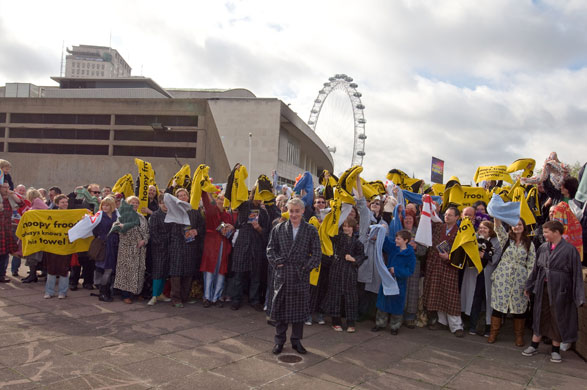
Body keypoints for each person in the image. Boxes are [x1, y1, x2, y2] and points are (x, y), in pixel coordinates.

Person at [523, 220, 585, 363]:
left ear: (556, 232)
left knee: (558, 316)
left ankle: (555, 349)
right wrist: (529, 286)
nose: (544, 235)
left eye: (546, 232)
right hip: (542, 287)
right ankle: (534, 345)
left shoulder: (570, 250)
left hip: (561, 289)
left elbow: (576, 274)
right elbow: (535, 269)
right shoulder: (543, 248)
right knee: (539, 314)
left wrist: (579, 296)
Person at [266, 197, 321, 355]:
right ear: (287, 211)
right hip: (283, 275)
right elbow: (270, 249)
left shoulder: (311, 230)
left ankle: (296, 341)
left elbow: (317, 253)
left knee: (298, 312)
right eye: (291, 211)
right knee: (281, 311)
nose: (294, 214)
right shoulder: (278, 228)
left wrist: (306, 267)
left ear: (303, 211)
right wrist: (277, 262)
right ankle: (279, 341)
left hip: (300, 275)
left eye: (297, 211)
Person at [488, 218, 535, 346]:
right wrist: (496, 214)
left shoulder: (530, 244)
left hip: (520, 278)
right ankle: (493, 333)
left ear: (524, 227)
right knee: (498, 305)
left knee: (519, 308)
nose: (517, 227)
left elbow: (531, 264)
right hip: (503, 276)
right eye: (514, 225)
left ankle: (519, 336)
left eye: (520, 224)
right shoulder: (506, 239)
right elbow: (497, 227)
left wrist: (529, 284)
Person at [424, 206, 464, 337]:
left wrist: (449, 258)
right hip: (435, 264)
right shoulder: (439, 227)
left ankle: (456, 326)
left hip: (449, 266)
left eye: (450, 215)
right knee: (437, 292)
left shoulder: (460, 232)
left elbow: (462, 252)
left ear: (457, 217)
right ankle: (442, 321)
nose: (447, 217)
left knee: (450, 295)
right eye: (446, 214)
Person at [321, 217, 366, 333]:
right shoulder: (339, 237)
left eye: (349, 226)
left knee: (351, 296)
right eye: (344, 226)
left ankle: (351, 321)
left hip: (350, 270)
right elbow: (330, 233)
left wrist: (354, 259)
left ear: (353, 228)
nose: (346, 228)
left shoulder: (357, 243)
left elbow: (362, 255)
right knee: (335, 294)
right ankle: (335, 321)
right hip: (337, 268)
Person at [229, 192, 270, 311]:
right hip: (242, 242)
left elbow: (266, 232)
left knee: (255, 275)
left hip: (256, 245)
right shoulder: (244, 205)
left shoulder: (263, 212)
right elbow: (235, 198)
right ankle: (236, 300)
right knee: (238, 274)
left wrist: (259, 228)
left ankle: (254, 300)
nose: (259, 200)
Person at [373, 229, 416, 335]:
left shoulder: (410, 255)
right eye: (396, 238)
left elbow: (410, 270)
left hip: (399, 283)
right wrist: (382, 230)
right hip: (388, 280)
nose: (396, 240)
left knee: (397, 304)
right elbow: (386, 242)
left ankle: (395, 326)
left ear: (405, 240)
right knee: (383, 302)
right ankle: (380, 323)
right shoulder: (394, 248)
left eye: (398, 239)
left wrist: (396, 271)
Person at [167, 189, 205, 307]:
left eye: (184, 195)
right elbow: (169, 229)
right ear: (177, 198)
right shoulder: (173, 210)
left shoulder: (195, 211)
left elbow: (202, 226)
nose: (183, 197)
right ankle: (176, 298)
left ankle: (185, 296)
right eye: (180, 196)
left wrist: (196, 231)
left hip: (191, 245)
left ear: (188, 197)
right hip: (177, 245)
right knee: (176, 272)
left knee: (188, 271)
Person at [113, 196, 149, 304]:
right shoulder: (122, 216)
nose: (134, 205)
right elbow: (119, 231)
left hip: (140, 250)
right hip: (127, 249)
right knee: (127, 272)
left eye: (136, 203)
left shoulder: (142, 217)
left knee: (139, 271)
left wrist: (144, 240)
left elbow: (147, 231)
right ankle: (125, 295)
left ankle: (136, 292)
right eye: (132, 203)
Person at [467, 221, 501, 337]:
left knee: (489, 300)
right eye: (480, 228)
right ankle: (473, 325)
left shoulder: (496, 242)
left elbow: (495, 259)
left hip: (490, 275)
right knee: (476, 299)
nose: (482, 230)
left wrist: (485, 255)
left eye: (485, 228)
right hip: (478, 273)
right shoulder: (476, 239)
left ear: (491, 229)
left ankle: (488, 327)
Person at [200, 191, 234, 307]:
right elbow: (206, 201)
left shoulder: (228, 215)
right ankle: (207, 297)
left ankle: (217, 297)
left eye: (224, 199)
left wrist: (231, 228)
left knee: (221, 271)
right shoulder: (211, 211)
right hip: (211, 243)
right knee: (209, 270)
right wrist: (206, 190)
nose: (221, 201)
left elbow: (230, 231)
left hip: (223, 244)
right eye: (219, 199)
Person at [43, 194, 72, 299]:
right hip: (53, 246)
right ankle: (49, 291)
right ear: (57, 204)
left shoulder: (71, 214)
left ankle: (62, 292)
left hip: (66, 246)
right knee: (51, 269)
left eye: (66, 202)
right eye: (62, 202)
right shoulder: (51, 214)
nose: (65, 204)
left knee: (64, 269)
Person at [92, 197, 119, 302]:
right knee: (107, 269)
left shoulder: (116, 215)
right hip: (104, 245)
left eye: (107, 205)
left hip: (114, 244)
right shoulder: (99, 216)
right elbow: (93, 229)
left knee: (111, 269)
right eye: (103, 205)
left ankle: (107, 291)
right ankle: (103, 293)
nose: (105, 207)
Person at [21, 189, 49, 284]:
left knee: (33, 255)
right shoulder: (36, 202)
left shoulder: (37, 201)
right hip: (35, 234)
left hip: (37, 234)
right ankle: (33, 275)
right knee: (32, 255)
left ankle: (33, 276)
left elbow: (46, 211)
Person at [148, 194, 171, 306]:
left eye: (167, 203)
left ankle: (160, 293)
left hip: (169, 247)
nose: (165, 205)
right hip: (159, 248)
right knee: (158, 271)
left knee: (165, 271)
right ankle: (154, 295)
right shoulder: (156, 215)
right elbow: (153, 232)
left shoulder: (172, 215)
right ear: (159, 204)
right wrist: (162, 243)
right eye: (162, 203)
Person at [0, 182, 18, 283]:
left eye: (8, 187)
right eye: (4, 187)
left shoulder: (9, 200)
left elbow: (22, 204)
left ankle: (1, 275)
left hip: (6, 230)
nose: (6, 189)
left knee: (5, 254)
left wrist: (13, 195)